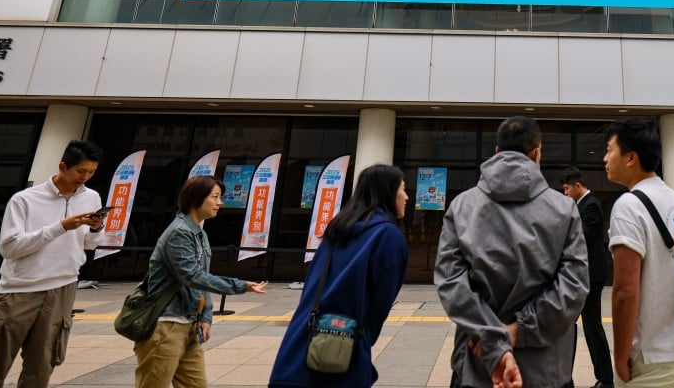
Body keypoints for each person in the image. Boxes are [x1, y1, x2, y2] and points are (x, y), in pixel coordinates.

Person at [436, 115, 588, 388]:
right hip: (547, 370)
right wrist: (518, 331)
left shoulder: (461, 207)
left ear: (496, 152)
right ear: (537, 152)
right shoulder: (564, 210)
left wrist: (496, 344)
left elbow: (452, 285)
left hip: (477, 367)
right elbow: (574, 286)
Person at [270, 164, 409, 387]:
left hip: (297, 348)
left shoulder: (337, 228)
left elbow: (311, 285)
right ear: (388, 192)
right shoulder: (388, 236)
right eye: (402, 189)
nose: (406, 197)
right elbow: (379, 306)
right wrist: (362, 339)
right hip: (340, 356)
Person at [135, 175, 267, 388]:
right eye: (215, 197)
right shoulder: (179, 232)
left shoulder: (199, 233)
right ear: (196, 198)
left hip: (188, 325)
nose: (220, 203)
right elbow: (192, 276)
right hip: (164, 324)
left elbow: (200, 278)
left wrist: (206, 316)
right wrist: (240, 285)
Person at [0, 140, 106, 388]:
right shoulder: (25, 200)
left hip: (63, 287)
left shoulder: (92, 197)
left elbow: (88, 244)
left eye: (91, 172)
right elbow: (9, 248)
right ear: (62, 166)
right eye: (81, 171)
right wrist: (61, 227)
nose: (85, 177)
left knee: (42, 366)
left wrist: (97, 229)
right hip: (20, 290)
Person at [604, 117, 674, 387]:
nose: (605, 158)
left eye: (610, 150)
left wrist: (620, 356)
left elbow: (625, 289)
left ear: (631, 158)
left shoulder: (629, 205)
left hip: (653, 362)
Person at [561, 167, 613, 388]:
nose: (565, 194)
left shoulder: (591, 205)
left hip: (589, 276)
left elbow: (581, 236)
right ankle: (568, 378)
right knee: (575, 325)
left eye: (566, 189)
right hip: (581, 276)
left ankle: (605, 379)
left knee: (591, 327)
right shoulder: (582, 205)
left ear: (577, 186)